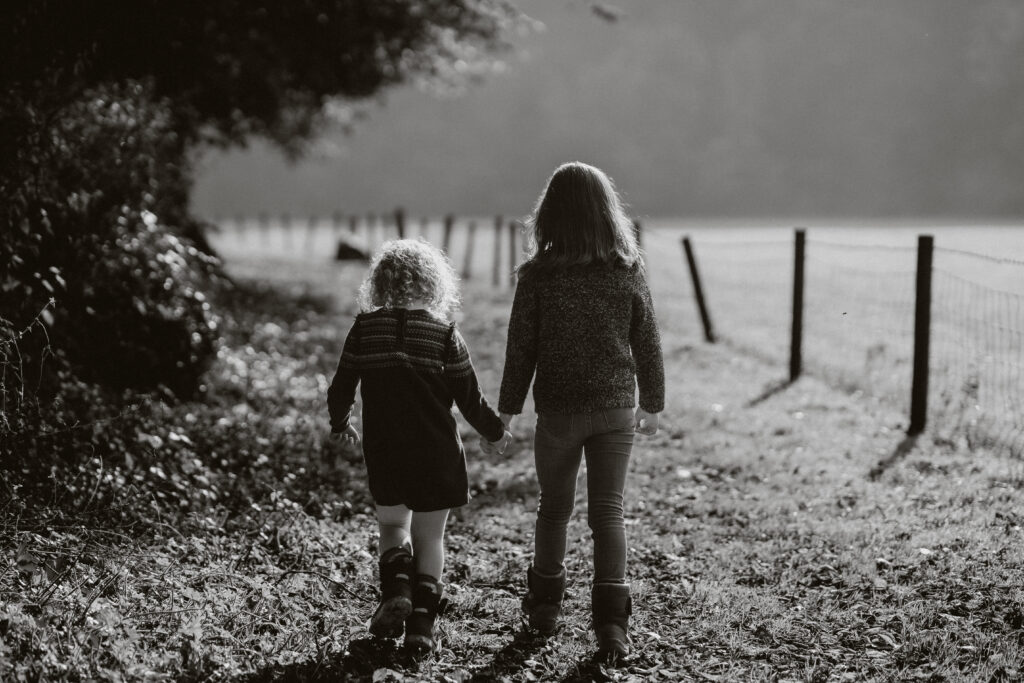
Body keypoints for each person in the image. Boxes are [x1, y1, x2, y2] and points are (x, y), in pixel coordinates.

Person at [491, 161, 665, 661]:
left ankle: (544, 607)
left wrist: (506, 412)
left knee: (554, 509)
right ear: (606, 212)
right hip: (614, 408)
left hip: (560, 412)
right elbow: (647, 341)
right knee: (609, 512)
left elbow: (519, 349)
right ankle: (612, 621)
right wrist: (652, 404)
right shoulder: (627, 270)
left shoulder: (537, 276)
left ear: (549, 214)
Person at [327, 238, 512, 654]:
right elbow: (470, 398)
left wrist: (341, 423)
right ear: (435, 285)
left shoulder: (363, 329)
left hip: (385, 450)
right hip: (437, 454)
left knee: (394, 526)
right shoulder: (445, 334)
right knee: (430, 540)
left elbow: (341, 387)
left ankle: (396, 590)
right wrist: (494, 432)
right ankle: (421, 627)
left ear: (378, 285)